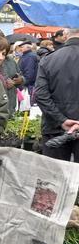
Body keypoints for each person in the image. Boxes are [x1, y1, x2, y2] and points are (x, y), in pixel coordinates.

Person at [36, 26, 79, 162]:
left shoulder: (49, 59)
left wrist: (61, 120)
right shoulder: (48, 59)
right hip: (57, 126)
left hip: (54, 128)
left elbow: (41, 95)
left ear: (65, 35)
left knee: (54, 179)